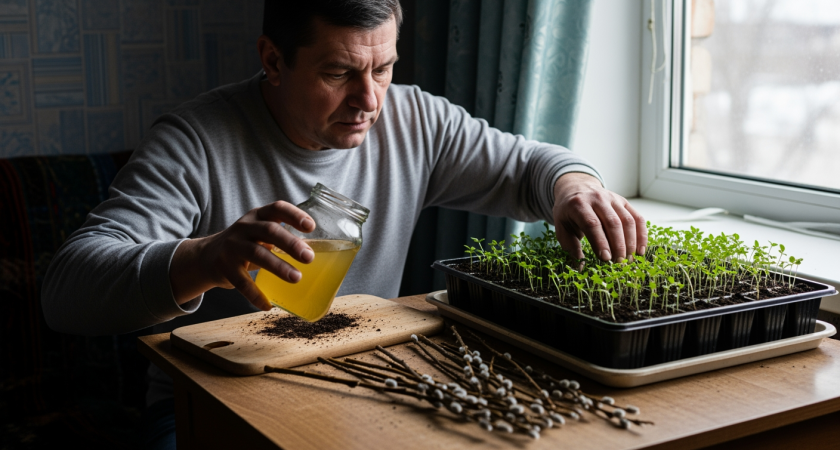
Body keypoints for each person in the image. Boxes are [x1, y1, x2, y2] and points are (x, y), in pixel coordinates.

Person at [42, 1, 646, 448]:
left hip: (359, 389)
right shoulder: (194, 142)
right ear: (273, 60)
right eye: (338, 73)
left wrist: (575, 188)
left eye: (383, 68)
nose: (370, 100)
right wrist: (202, 259)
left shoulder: (417, 122)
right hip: (205, 404)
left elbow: (534, 166)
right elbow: (65, 290)